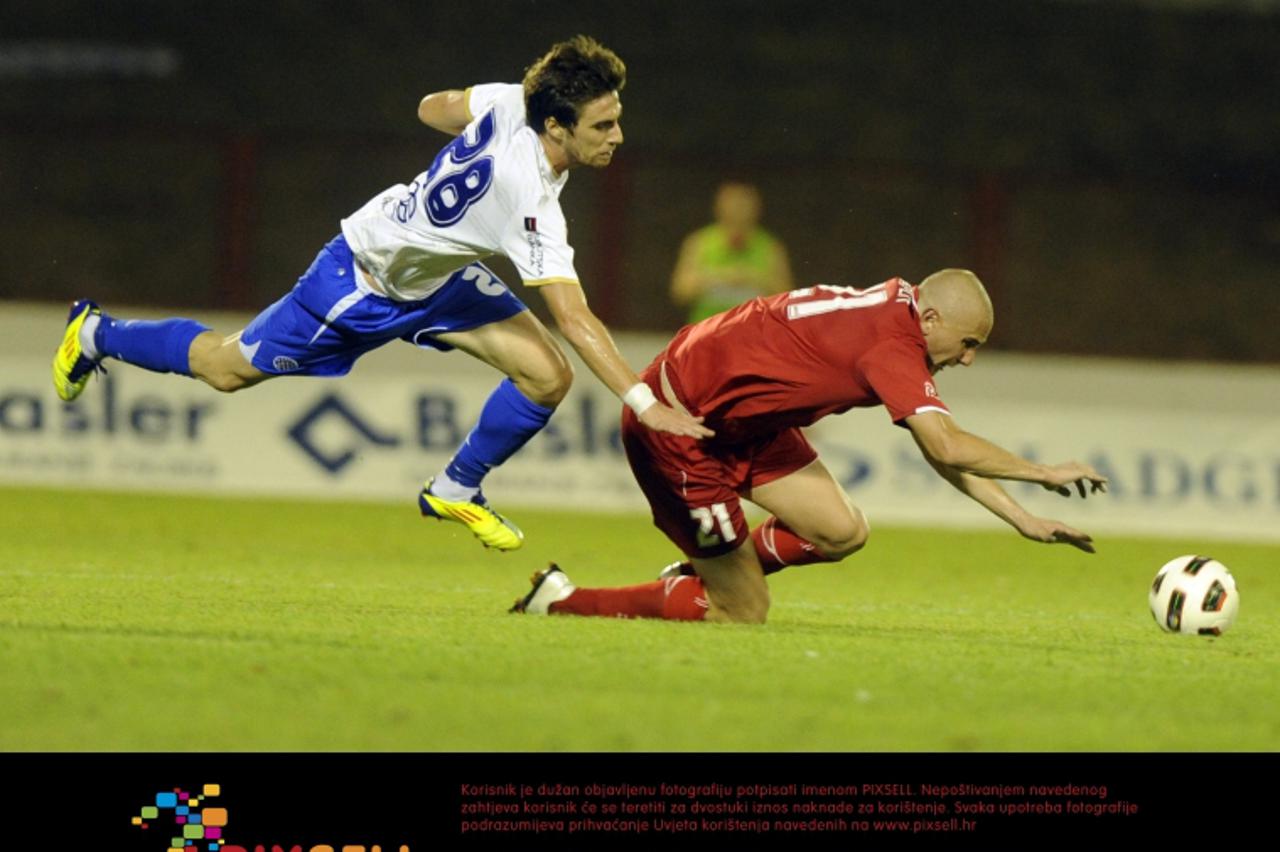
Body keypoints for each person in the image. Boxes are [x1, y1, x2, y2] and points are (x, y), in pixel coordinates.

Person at [50, 35, 710, 551]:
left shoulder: (515, 99)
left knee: (545, 377)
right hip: (361, 281)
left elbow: (434, 107)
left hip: (436, 279)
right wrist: (645, 404)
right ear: (558, 128)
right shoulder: (530, 202)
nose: (617, 136)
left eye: (616, 120)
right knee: (224, 370)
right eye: (602, 126)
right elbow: (574, 315)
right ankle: (96, 333)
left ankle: (453, 489)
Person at [511, 269, 1108, 624]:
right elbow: (948, 445)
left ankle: (711, 568)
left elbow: (938, 448)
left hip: (743, 423)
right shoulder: (893, 347)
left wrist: (1020, 517)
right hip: (679, 428)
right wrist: (1042, 472)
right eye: (969, 342)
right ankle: (561, 600)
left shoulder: (897, 308)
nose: (969, 357)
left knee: (842, 530)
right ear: (929, 319)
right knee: (745, 611)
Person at [669, 182, 793, 324]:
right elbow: (680, 291)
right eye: (732, 202)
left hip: (753, 334)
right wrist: (720, 277)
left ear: (757, 207)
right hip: (707, 332)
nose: (738, 209)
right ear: (718, 206)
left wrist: (752, 279)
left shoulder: (770, 247)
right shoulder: (699, 243)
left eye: (743, 202)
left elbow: (786, 298)